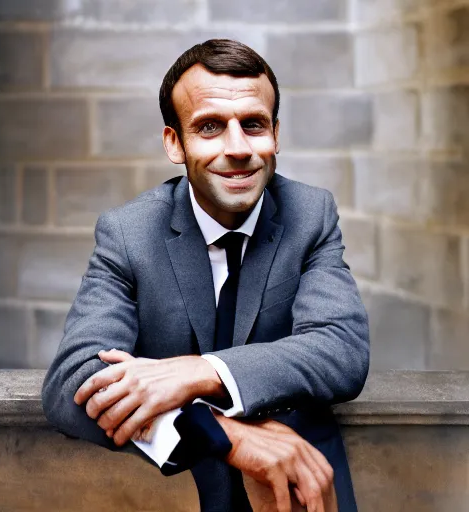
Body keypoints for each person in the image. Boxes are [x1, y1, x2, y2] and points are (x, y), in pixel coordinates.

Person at [41, 39, 370, 512]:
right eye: (210, 127)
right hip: (171, 494)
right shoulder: (128, 234)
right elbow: (74, 382)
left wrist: (200, 372)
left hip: (298, 496)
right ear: (175, 142)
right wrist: (220, 433)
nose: (238, 149)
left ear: (275, 134)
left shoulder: (311, 214)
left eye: (253, 125)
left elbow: (340, 350)